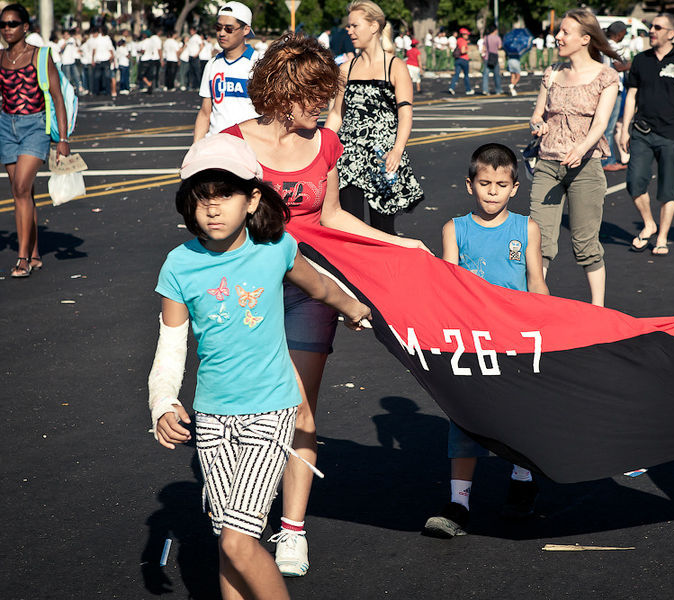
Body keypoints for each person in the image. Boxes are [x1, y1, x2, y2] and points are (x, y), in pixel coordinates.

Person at [224, 31, 429, 578]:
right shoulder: (233, 145)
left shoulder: (327, 145)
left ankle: (292, 529)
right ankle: (242, 510)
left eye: (327, 94)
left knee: (299, 405)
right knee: (248, 406)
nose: (325, 106)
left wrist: (400, 242)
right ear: (283, 94)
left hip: (311, 290)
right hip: (248, 294)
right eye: (315, 95)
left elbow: (334, 216)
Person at [150, 133, 371, 600]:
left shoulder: (276, 248)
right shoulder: (178, 265)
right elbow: (170, 346)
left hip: (270, 412)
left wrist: (353, 308)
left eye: (225, 195)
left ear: (252, 200)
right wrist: (163, 402)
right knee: (231, 542)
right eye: (202, 197)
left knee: (236, 538)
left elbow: (320, 287)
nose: (212, 208)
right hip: (211, 419)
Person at [423, 143, 549, 538]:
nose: (492, 191)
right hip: (470, 340)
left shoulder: (526, 228)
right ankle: (458, 505)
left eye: (500, 184)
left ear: (514, 188)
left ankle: (522, 480)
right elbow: (444, 286)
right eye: (484, 183)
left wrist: (549, 321)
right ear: (469, 185)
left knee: (519, 414)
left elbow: (536, 282)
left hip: (513, 338)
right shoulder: (454, 229)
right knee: (464, 419)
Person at [528, 8, 619, 306]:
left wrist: (581, 149)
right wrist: (537, 124)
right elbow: (537, 114)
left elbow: (601, 123)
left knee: (585, 244)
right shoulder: (552, 73)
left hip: (586, 167)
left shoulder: (606, 76)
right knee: (539, 240)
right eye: (559, 32)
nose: (558, 36)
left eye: (565, 32)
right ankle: (536, 305)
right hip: (547, 165)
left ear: (585, 39)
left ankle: (598, 308)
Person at [325, 0, 424, 235]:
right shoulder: (345, 69)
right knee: (349, 228)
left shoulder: (395, 67)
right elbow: (337, 114)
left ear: (374, 26)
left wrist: (398, 149)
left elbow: (405, 113)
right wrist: (323, 148)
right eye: (348, 26)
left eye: (354, 26)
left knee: (383, 229)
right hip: (349, 158)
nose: (349, 31)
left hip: (383, 158)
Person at [618, 13, 674, 257]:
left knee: (667, 189)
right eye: (651, 26)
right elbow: (631, 95)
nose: (651, 30)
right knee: (634, 183)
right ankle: (649, 223)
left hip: (672, 134)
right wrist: (624, 127)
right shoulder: (641, 59)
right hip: (642, 131)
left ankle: (661, 237)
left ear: (671, 33)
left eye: (657, 27)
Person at [1, 3, 70, 277]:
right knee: (24, 193)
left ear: (25, 27)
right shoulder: (1, 58)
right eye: (3, 24)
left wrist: (63, 138)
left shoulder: (41, 56)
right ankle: (36, 253)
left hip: (35, 126)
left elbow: (57, 97)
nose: (7, 29)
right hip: (7, 127)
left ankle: (22, 259)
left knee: (20, 188)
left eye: (13, 23)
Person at [193, 1, 260, 140]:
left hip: (250, 145)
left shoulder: (260, 64)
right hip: (217, 145)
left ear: (246, 30)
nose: (222, 33)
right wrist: (195, 149)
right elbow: (205, 113)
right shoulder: (212, 64)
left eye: (229, 28)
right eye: (218, 28)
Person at [601, 20, 630, 172]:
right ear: (619, 34)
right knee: (609, 128)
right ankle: (607, 161)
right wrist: (632, 64)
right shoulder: (613, 46)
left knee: (607, 126)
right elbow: (619, 66)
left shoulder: (603, 44)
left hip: (605, 87)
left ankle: (605, 159)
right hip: (613, 89)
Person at [447, 27, 474, 95]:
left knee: (456, 74)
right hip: (464, 59)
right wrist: (468, 50)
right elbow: (463, 51)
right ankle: (468, 90)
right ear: (463, 35)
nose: (467, 36)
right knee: (466, 75)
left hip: (457, 59)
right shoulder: (464, 41)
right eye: (466, 35)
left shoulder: (458, 40)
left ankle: (452, 87)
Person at [480, 24, 502, 95]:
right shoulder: (497, 38)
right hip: (495, 58)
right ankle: (498, 90)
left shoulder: (486, 37)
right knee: (496, 75)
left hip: (487, 57)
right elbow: (499, 47)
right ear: (495, 30)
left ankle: (485, 90)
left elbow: (483, 48)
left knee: (486, 75)